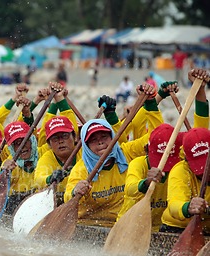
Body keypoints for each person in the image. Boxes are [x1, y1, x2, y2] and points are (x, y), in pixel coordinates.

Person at [64, 84, 163, 227]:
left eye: (104, 137)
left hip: (122, 224)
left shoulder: (127, 152)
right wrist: (75, 191)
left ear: (112, 137)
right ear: (85, 146)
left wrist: (151, 103)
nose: (100, 143)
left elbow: (155, 138)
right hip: (89, 224)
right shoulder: (82, 169)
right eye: (93, 140)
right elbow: (68, 196)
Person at [161, 127, 210, 235]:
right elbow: (174, 204)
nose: (205, 171)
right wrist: (188, 207)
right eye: (200, 166)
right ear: (188, 160)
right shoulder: (180, 171)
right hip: (178, 227)